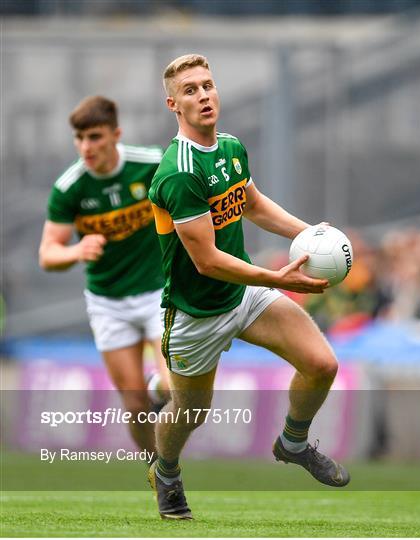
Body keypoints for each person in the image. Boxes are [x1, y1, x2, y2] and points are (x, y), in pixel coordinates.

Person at [148, 54, 350, 521]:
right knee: (191, 413)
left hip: (243, 294)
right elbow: (207, 261)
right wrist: (277, 276)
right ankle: (168, 471)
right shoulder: (178, 172)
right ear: (173, 105)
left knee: (321, 364)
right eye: (191, 90)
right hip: (196, 311)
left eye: (208, 85)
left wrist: (311, 235)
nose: (203, 95)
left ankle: (292, 444)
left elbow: (253, 204)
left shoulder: (231, 147)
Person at [39, 95, 169, 462]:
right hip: (108, 301)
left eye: (95, 137)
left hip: (158, 291)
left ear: (116, 134)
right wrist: (76, 252)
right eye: (79, 138)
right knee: (133, 402)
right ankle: (158, 472)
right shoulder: (70, 187)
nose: (86, 147)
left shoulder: (153, 163)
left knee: (175, 386)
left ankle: (159, 388)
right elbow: (48, 254)